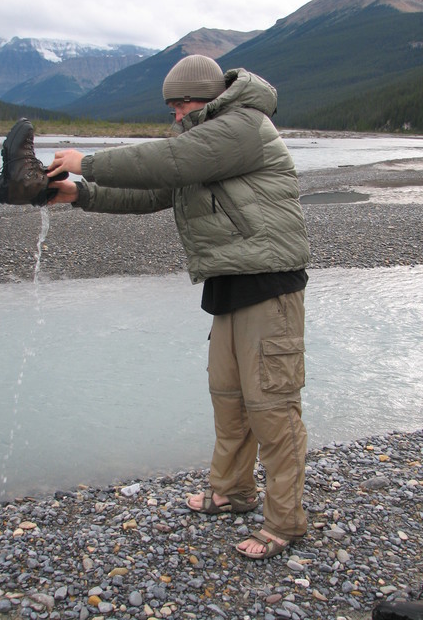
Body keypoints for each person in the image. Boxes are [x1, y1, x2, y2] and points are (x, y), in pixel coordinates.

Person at [46, 54, 310, 560]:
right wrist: (75, 193)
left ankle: (286, 522)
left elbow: (167, 162)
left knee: (273, 408)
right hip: (230, 286)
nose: (175, 114)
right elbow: (153, 191)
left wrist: (87, 161)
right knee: (229, 399)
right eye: (170, 106)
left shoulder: (242, 127)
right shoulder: (203, 141)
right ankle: (232, 493)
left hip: (270, 286)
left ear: (209, 97)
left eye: (182, 103)